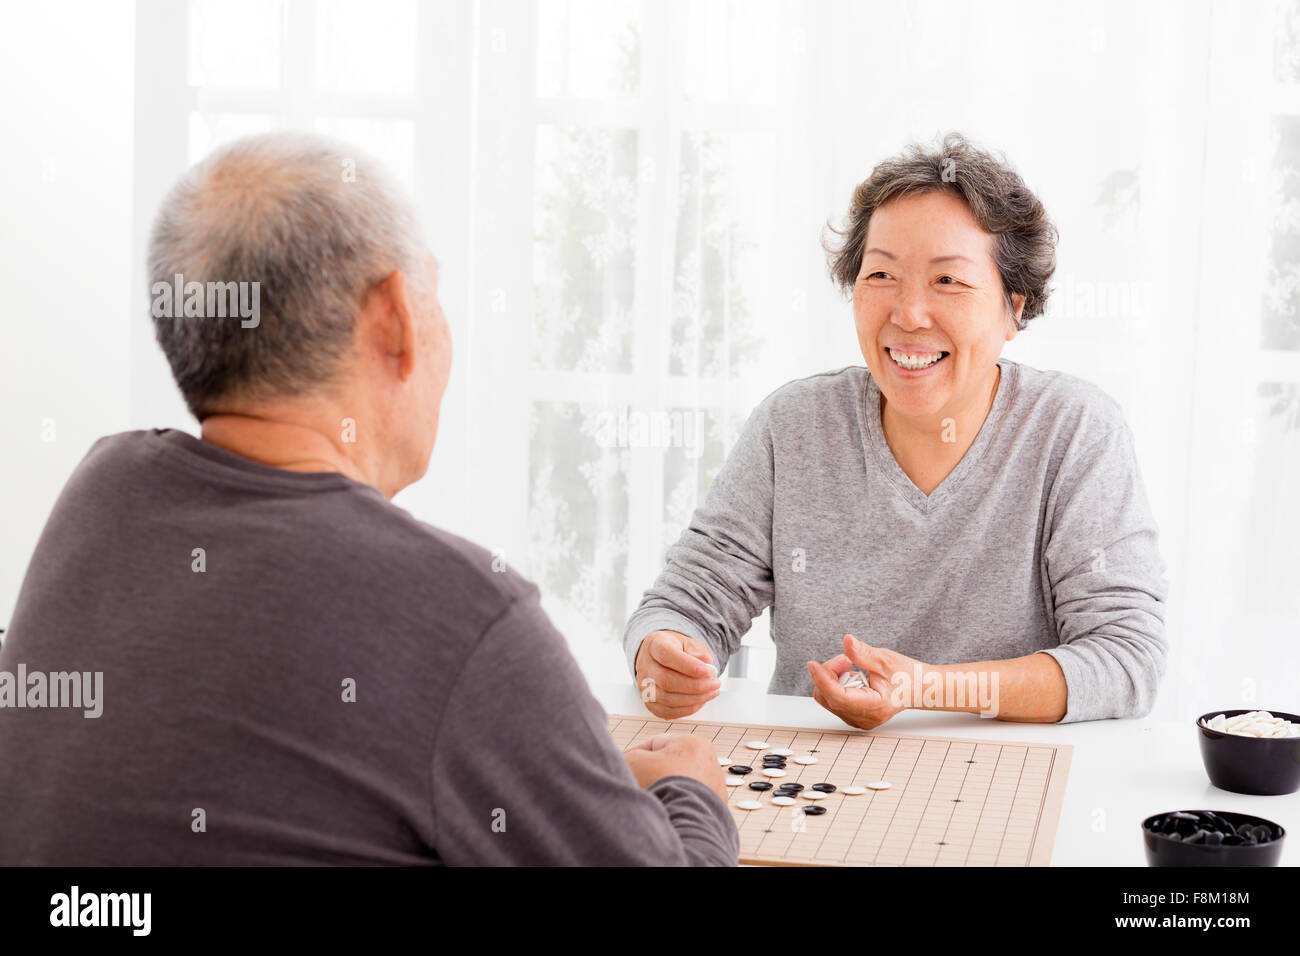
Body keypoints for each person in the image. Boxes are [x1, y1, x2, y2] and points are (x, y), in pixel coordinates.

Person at [0, 132, 738, 866]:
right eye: (436, 293)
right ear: (393, 321)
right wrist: (690, 788)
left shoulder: (101, 492)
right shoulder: (469, 615)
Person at [626, 133, 1168, 729]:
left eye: (948, 281)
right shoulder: (794, 426)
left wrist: (928, 688)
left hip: (1011, 781)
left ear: (1014, 308)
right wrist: (664, 652)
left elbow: (1125, 660)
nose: (908, 315)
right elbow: (686, 602)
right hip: (813, 775)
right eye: (881, 274)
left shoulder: (1074, 432)